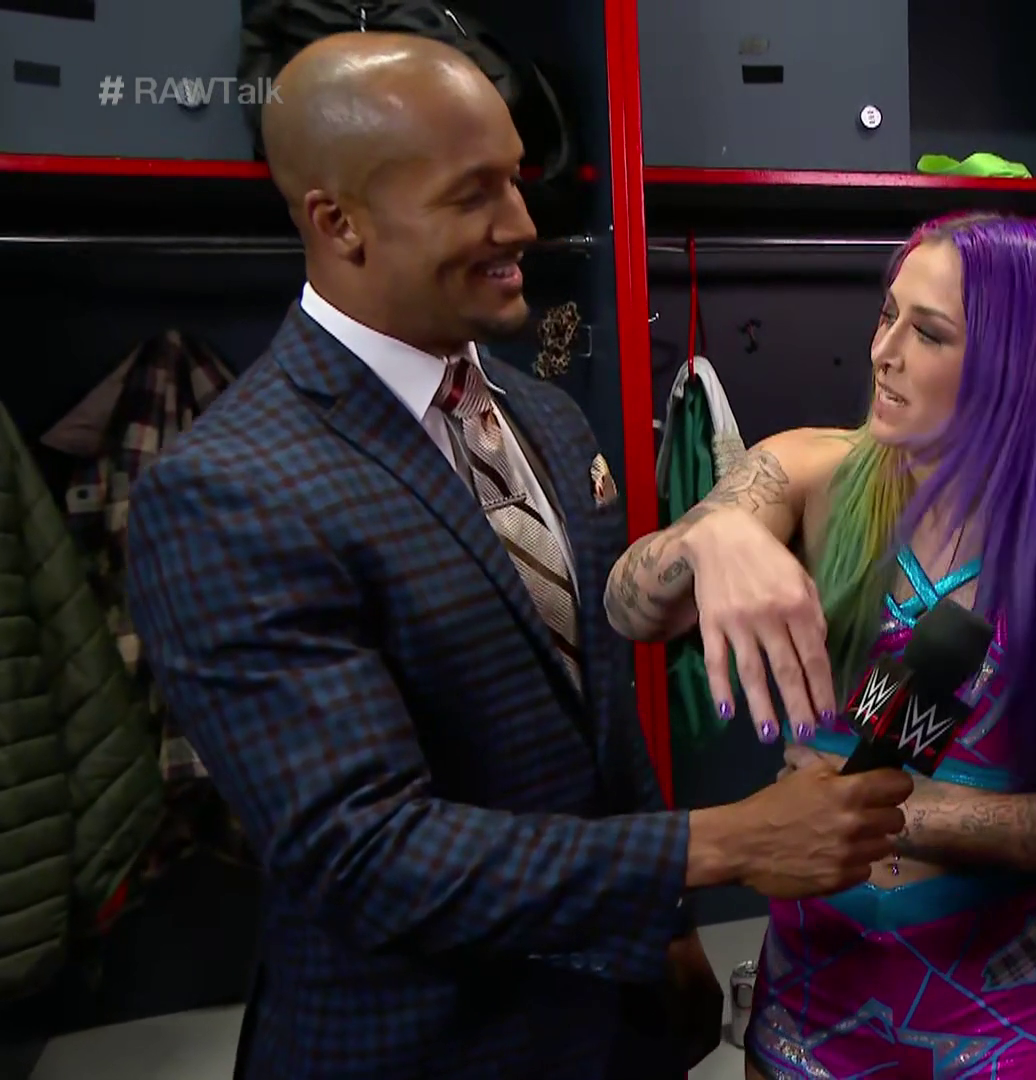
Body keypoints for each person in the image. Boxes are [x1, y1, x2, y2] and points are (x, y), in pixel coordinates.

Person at [123, 33, 913, 1080]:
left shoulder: (545, 418)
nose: (523, 224)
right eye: (473, 195)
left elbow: (597, 722)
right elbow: (363, 855)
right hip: (423, 1049)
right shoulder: (230, 487)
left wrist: (666, 929)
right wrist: (722, 845)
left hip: (615, 1026)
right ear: (338, 221)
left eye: (516, 180)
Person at [604, 212, 1036, 1079]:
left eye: (928, 332)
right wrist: (710, 537)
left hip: (1010, 1032)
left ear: (1018, 365)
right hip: (809, 1018)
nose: (883, 352)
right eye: (887, 315)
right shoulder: (811, 472)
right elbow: (628, 609)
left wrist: (872, 814)